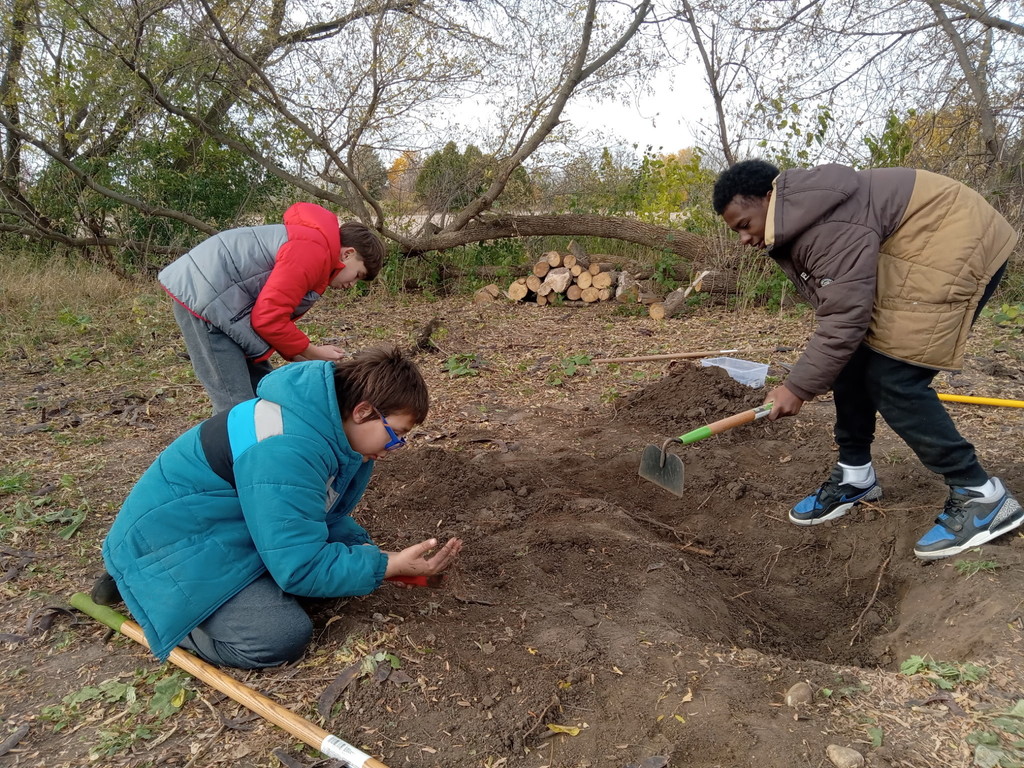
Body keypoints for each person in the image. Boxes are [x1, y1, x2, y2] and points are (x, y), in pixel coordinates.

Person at [712, 159, 1021, 560]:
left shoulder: (823, 226)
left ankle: (981, 496)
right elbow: (842, 317)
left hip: (954, 239)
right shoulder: (807, 216)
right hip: (922, 243)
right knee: (853, 361)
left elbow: (844, 318)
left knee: (893, 376)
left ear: (770, 197)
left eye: (744, 224)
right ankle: (856, 476)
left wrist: (797, 387)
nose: (743, 238)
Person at [93, 346, 463, 668]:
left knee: (342, 559)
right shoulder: (287, 447)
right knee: (278, 636)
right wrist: (386, 565)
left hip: (217, 528)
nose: (394, 447)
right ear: (364, 411)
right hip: (171, 544)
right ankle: (162, 609)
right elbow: (299, 568)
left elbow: (317, 515)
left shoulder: (326, 428)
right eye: (396, 434)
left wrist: (375, 556)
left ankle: (146, 584)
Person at [159, 202, 386, 413]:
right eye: (358, 275)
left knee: (266, 388)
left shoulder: (317, 250)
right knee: (235, 403)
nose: (351, 285)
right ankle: (239, 454)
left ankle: (272, 444)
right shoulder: (312, 250)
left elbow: (271, 316)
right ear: (348, 254)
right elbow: (268, 318)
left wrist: (309, 358)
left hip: (226, 303)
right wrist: (313, 351)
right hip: (205, 297)